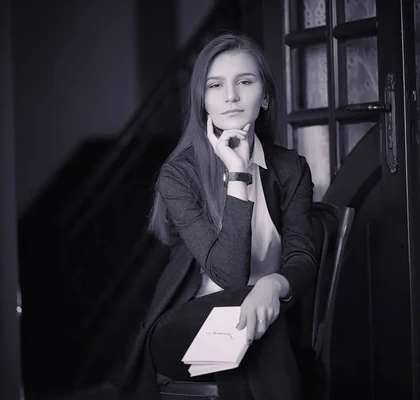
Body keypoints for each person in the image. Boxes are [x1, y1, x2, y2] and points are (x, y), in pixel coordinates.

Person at [116, 33, 318, 400]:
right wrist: (238, 175)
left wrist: (271, 285)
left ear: (266, 96)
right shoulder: (179, 175)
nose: (231, 96)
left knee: (253, 341)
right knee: (258, 326)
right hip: (186, 325)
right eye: (215, 85)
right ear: (203, 102)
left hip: (263, 319)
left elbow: (302, 257)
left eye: (245, 81)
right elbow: (230, 275)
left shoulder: (291, 169)